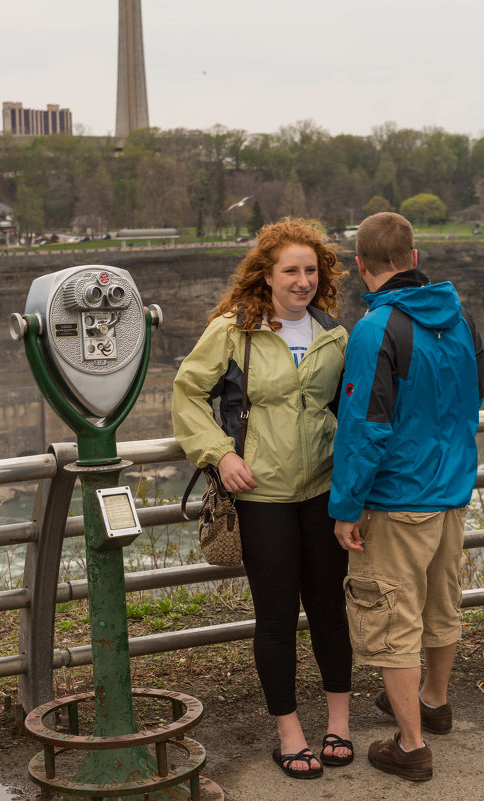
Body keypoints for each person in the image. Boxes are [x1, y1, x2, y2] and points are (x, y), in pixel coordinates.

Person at [172, 217, 353, 780]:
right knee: (275, 619)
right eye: (290, 271)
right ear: (266, 276)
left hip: (322, 493)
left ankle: (339, 725)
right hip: (262, 498)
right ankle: (290, 732)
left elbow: (344, 412)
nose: (302, 280)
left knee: (329, 612)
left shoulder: (334, 334)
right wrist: (220, 455)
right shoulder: (234, 330)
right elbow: (187, 394)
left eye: (310, 270)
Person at [329, 212, 484, 781]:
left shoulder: (376, 329)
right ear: (415, 259)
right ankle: (435, 703)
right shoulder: (459, 317)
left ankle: (412, 747)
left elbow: (364, 427)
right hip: (450, 491)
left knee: (391, 619)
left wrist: (346, 507)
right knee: (441, 604)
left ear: (360, 266)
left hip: (397, 498)